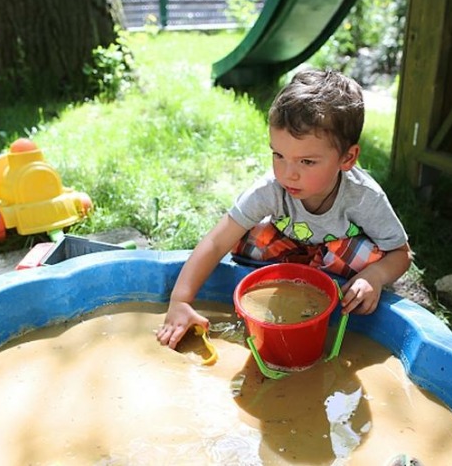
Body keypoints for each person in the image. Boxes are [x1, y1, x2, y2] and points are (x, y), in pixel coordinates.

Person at [157, 68, 412, 350]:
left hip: (337, 261)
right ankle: (281, 276)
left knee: (369, 256)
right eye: (278, 155)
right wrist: (180, 301)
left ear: (347, 158)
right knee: (245, 236)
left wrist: (375, 276)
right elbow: (216, 242)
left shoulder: (364, 197)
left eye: (307, 162)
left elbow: (401, 254)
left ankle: (330, 281)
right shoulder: (270, 188)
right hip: (288, 247)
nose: (288, 174)